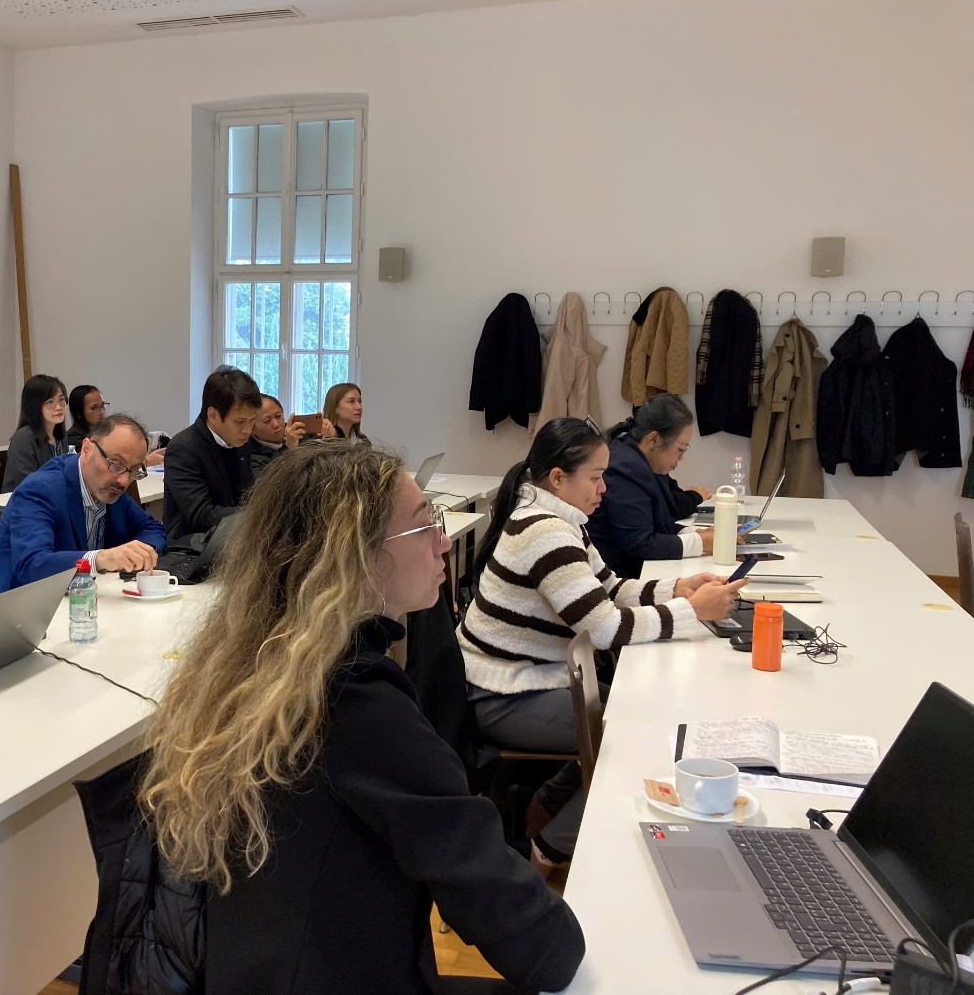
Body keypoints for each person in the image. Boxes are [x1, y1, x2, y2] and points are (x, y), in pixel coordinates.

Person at [140, 441, 585, 994]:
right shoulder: (353, 700)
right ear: (358, 556)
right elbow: (529, 933)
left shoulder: (266, 665)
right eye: (424, 525)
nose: (444, 541)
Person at [458, 418, 746, 871]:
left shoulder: (561, 519)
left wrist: (678, 589)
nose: (603, 488)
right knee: (637, 734)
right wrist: (693, 611)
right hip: (500, 693)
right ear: (558, 478)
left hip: (524, 681)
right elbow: (605, 629)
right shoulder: (545, 532)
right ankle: (548, 849)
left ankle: (548, 804)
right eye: (595, 477)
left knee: (636, 712)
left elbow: (609, 589)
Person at [0, 414, 166, 600]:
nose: (124, 481)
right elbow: (32, 566)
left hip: (83, 600)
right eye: (116, 464)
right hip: (21, 606)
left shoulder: (112, 487)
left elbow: (152, 528)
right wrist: (101, 559)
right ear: (86, 449)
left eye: (133, 470)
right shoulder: (40, 489)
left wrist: (139, 554)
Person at [585, 395, 725, 579]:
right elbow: (640, 544)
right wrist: (700, 542)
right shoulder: (625, 468)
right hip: (616, 579)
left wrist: (695, 533)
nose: (681, 458)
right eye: (681, 449)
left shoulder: (641, 461)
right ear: (654, 439)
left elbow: (658, 523)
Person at [162, 367, 261, 542]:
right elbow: (201, 515)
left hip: (233, 538)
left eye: (252, 420)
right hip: (192, 545)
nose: (248, 430)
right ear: (213, 415)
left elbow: (247, 495)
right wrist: (257, 514)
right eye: (240, 421)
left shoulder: (241, 442)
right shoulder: (183, 448)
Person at [1, 374, 71, 493]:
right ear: (34, 406)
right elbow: (29, 484)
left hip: (54, 497)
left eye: (61, 399)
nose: (59, 407)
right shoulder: (23, 438)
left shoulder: (60, 436)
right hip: (26, 500)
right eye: (50, 401)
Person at [69, 384, 165, 466]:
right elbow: (98, 466)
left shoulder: (105, 431)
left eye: (102, 406)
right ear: (79, 412)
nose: (101, 411)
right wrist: (146, 462)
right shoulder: (74, 438)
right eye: (94, 408)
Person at [246, 394, 331, 473]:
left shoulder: (301, 436)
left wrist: (330, 437)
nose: (276, 424)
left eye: (278, 416)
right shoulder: (248, 456)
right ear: (252, 429)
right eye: (267, 421)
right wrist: (288, 447)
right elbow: (270, 481)